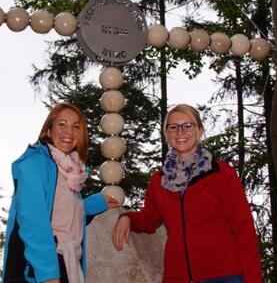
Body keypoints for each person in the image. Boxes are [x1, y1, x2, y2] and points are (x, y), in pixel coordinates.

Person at [112, 104, 262, 283]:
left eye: (187, 125)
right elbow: (150, 218)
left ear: (199, 130)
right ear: (167, 134)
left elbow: (244, 231)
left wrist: (253, 279)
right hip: (178, 277)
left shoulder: (221, 174)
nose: (180, 132)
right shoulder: (159, 180)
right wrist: (127, 218)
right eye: (173, 127)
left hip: (224, 276)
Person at [2, 102, 119, 283]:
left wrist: (97, 203)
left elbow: (63, 213)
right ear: (48, 131)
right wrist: (48, 275)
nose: (69, 132)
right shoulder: (34, 164)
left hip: (66, 265)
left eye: (76, 127)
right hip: (37, 270)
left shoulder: (71, 171)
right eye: (62, 124)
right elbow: (34, 222)